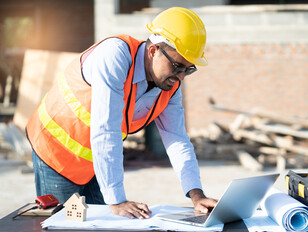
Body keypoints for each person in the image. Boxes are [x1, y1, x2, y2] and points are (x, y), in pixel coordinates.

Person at [26, 7, 217, 219]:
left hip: (94, 163)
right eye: (177, 66)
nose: (180, 77)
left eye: (188, 70)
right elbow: (106, 128)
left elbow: (178, 139)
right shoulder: (114, 56)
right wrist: (117, 201)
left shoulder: (169, 87)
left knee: (98, 228)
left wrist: (196, 195)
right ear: (153, 51)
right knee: (68, 226)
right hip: (55, 154)